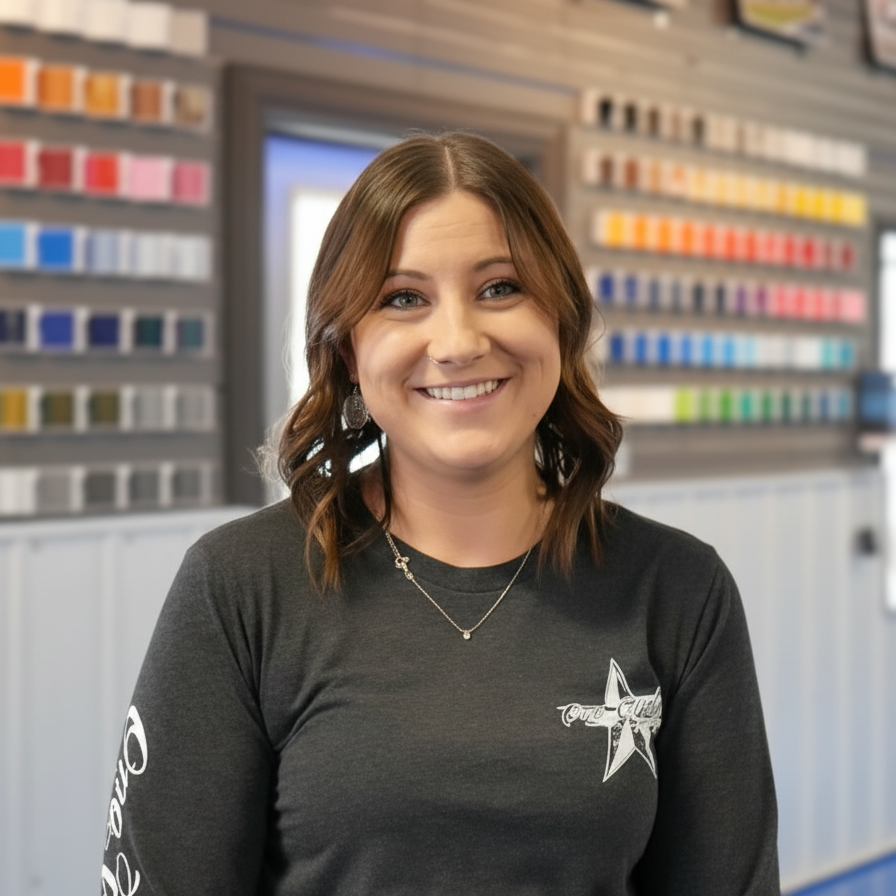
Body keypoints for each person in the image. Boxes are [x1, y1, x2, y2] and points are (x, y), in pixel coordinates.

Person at [101, 131, 779, 895]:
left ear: (560, 317)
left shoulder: (678, 589)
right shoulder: (240, 587)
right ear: (348, 349)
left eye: (500, 288)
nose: (457, 342)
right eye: (402, 299)